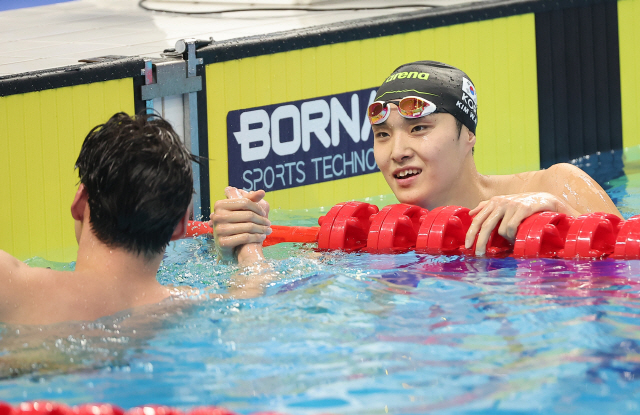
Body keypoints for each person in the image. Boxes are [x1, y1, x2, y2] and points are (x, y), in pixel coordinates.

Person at [210, 60, 621, 264]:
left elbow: (626, 270)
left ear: (468, 134)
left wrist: (553, 209)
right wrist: (244, 243)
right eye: (383, 135)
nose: (397, 151)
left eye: (419, 129)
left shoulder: (554, 184)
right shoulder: (374, 235)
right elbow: (272, 304)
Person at [0, 112, 196, 325]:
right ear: (180, 227)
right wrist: (236, 255)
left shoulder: (13, 289)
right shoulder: (192, 307)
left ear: (80, 203)